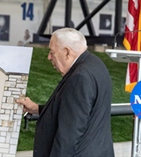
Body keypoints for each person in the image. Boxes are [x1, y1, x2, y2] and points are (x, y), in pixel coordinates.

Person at [16, 28, 114, 157]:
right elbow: (75, 112)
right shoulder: (95, 64)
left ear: (67, 52)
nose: (49, 57)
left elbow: (69, 135)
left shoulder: (79, 78)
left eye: (52, 52)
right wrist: (36, 109)